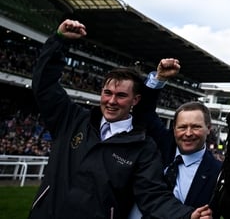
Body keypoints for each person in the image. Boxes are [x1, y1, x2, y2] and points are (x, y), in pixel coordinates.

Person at [29, 19, 211, 219]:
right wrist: (59, 41)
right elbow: (44, 85)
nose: (112, 101)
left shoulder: (143, 147)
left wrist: (187, 215)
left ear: (136, 100)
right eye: (107, 93)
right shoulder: (72, 119)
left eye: (121, 95)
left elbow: (153, 196)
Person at [131, 59, 230, 219]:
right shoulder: (161, 144)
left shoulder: (219, 173)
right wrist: (159, 78)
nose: (188, 133)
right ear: (174, 128)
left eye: (196, 127)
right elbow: (143, 110)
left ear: (208, 129)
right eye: (182, 127)